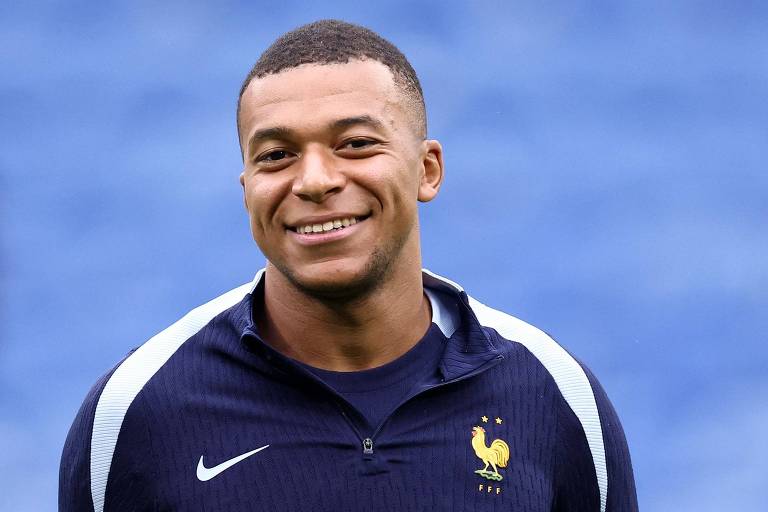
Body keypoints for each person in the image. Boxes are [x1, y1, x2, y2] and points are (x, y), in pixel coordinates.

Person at [60, 19, 637, 512]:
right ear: (247, 188)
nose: (314, 181)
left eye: (356, 143)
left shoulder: (554, 398)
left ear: (427, 170)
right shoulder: (136, 411)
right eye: (276, 155)